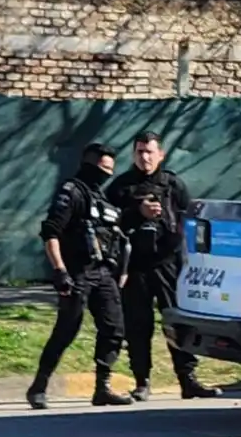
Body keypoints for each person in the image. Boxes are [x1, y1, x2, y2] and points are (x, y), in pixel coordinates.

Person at [105, 131, 221, 401]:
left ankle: (188, 379)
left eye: (149, 152)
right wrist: (137, 213)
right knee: (137, 325)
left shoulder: (173, 184)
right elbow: (109, 224)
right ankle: (142, 381)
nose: (144, 157)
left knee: (179, 322)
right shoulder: (121, 187)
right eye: (139, 152)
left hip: (169, 264)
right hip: (134, 267)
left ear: (161, 154)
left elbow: (188, 219)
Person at [27, 143, 133, 409]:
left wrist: (120, 271)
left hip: (104, 272)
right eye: (103, 168)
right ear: (89, 165)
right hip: (77, 272)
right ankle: (39, 386)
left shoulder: (104, 199)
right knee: (66, 329)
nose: (107, 174)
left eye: (111, 169)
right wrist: (60, 270)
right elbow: (51, 232)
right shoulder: (72, 192)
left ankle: (102, 388)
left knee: (114, 328)